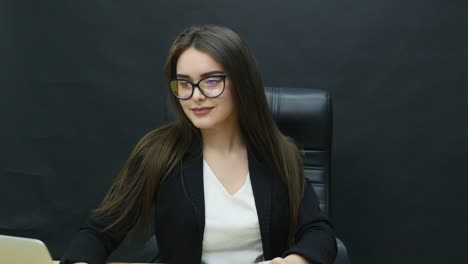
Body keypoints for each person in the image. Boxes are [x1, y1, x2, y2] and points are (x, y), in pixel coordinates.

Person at [60, 25, 337, 264]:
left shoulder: (279, 153)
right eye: (184, 84)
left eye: (211, 81)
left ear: (242, 83)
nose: (196, 96)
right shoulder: (158, 153)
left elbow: (318, 231)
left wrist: (295, 260)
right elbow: (99, 231)